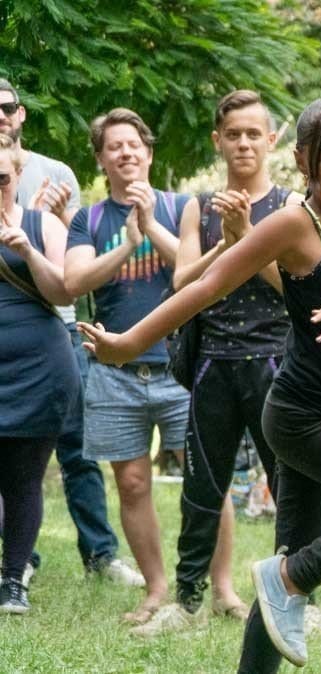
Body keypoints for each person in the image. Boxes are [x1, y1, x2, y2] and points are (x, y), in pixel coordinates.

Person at [81, 96, 321, 671]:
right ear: (304, 159)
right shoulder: (293, 225)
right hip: (302, 415)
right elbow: (204, 287)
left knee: (282, 596)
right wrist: (127, 345)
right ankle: (289, 576)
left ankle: (285, 583)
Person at [128, 90, 303, 637]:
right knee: (201, 487)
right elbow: (184, 283)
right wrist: (226, 244)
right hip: (212, 366)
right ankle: (187, 602)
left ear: (271, 140)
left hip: (276, 364)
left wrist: (249, 238)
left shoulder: (292, 207)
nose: (245, 143)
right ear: (218, 142)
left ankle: (299, 599)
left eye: (255, 133)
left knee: (290, 484)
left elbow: (295, 289)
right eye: (234, 134)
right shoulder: (197, 207)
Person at [0, 79, 138, 587]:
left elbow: (80, 243)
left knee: (77, 451)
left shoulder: (54, 172)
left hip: (56, 333)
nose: (0, 115)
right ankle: (21, 560)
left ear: (21, 115)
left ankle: (99, 554)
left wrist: (56, 215)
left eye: (7, 107)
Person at [63, 108, 195, 624]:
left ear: (149, 152)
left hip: (180, 368)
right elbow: (75, 283)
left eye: (133, 144)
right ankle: (157, 588)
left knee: (204, 480)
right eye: (113, 146)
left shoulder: (182, 206)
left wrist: (151, 227)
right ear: (101, 160)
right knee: (133, 483)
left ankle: (215, 586)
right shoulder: (89, 220)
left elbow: (192, 270)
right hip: (115, 372)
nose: (125, 153)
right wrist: (129, 244)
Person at [0, 134, 80, 613]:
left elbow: (66, 293)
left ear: (16, 175)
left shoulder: (41, 223)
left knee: (24, 480)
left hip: (39, 371)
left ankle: (13, 581)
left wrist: (29, 251)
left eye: (2, 179)